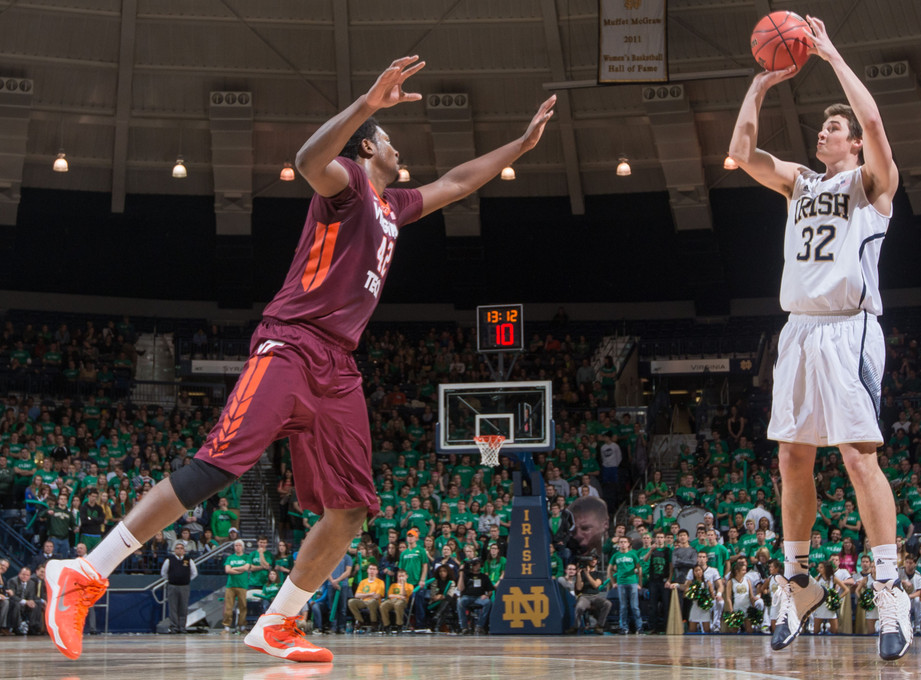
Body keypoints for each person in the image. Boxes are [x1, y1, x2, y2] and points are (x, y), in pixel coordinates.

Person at [42, 55, 556, 663]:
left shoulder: (394, 208)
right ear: (368, 149)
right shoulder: (346, 182)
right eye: (390, 142)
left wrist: (519, 146)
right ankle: (84, 571)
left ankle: (278, 622)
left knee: (353, 510)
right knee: (218, 466)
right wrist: (368, 104)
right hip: (291, 343)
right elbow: (306, 162)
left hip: (338, 369)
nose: (400, 152)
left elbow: (459, 182)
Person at [727, 14, 911, 661]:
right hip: (798, 331)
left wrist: (831, 53)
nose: (827, 132)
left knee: (860, 458)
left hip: (849, 328)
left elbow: (879, 127)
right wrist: (760, 84)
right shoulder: (800, 183)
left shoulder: (869, 186)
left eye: (836, 128)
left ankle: (890, 589)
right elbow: (743, 152)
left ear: (852, 145)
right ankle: (798, 584)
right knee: (792, 459)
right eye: (827, 127)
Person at [161, 540, 198, 634]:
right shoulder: (169, 560)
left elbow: (194, 573)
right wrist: (171, 579)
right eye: (177, 548)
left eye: (181, 548)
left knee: (183, 608)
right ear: (174, 550)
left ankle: (182, 627)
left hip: (184, 586)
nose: (179, 550)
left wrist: (186, 579)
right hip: (173, 586)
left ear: (184, 550)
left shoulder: (189, 560)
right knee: (173, 607)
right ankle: (174, 627)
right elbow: (163, 573)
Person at [608, 536, 642, 634]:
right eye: (621, 542)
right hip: (621, 583)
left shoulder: (633, 554)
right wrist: (613, 582)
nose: (623, 544)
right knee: (623, 607)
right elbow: (610, 569)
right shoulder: (616, 555)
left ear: (628, 544)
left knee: (634, 606)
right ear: (618, 544)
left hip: (632, 582)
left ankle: (639, 627)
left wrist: (639, 583)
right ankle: (624, 627)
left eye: (624, 542)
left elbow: (639, 568)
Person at [456, 558, 494, 635]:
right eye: (474, 564)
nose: (476, 566)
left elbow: (490, 590)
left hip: (479, 597)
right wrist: (461, 574)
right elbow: (460, 588)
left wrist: (487, 595)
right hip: (467, 596)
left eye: (478, 564)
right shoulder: (467, 576)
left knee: (488, 602)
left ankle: (480, 626)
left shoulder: (484, 577)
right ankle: (464, 627)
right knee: (460, 602)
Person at [223, 539, 251, 633]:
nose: (237, 547)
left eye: (239, 545)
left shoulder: (247, 557)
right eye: (236, 545)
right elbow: (227, 570)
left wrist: (234, 568)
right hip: (230, 585)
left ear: (242, 547)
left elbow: (246, 568)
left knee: (243, 606)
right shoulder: (230, 558)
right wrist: (240, 570)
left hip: (242, 585)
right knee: (228, 606)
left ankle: (242, 626)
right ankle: (226, 626)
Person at [347, 563, 385, 631]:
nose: (372, 571)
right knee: (351, 602)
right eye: (370, 569)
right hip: (363, 602)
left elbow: (377, 596)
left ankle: (374, 622)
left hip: (374, 602)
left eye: (374, 569)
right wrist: (370, 594)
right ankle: (360, 620)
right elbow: (357, 595)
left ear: (377, 571)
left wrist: (363, 595)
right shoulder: (363, 582)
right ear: (367, 570)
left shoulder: (380, 582)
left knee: (372, 601)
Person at [380, 568, 414, 633]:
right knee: (383, 605)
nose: (401, 578)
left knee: (398, 604)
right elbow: (390, 595)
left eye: (402, 576)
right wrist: (399, 596)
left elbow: (404, 594)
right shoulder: (393, 585)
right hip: (392, 600)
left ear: (406, 576)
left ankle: (399, 625)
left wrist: (403, 584)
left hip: (403, 602)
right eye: (399, 576)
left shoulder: (410, 585)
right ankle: (386, 625)